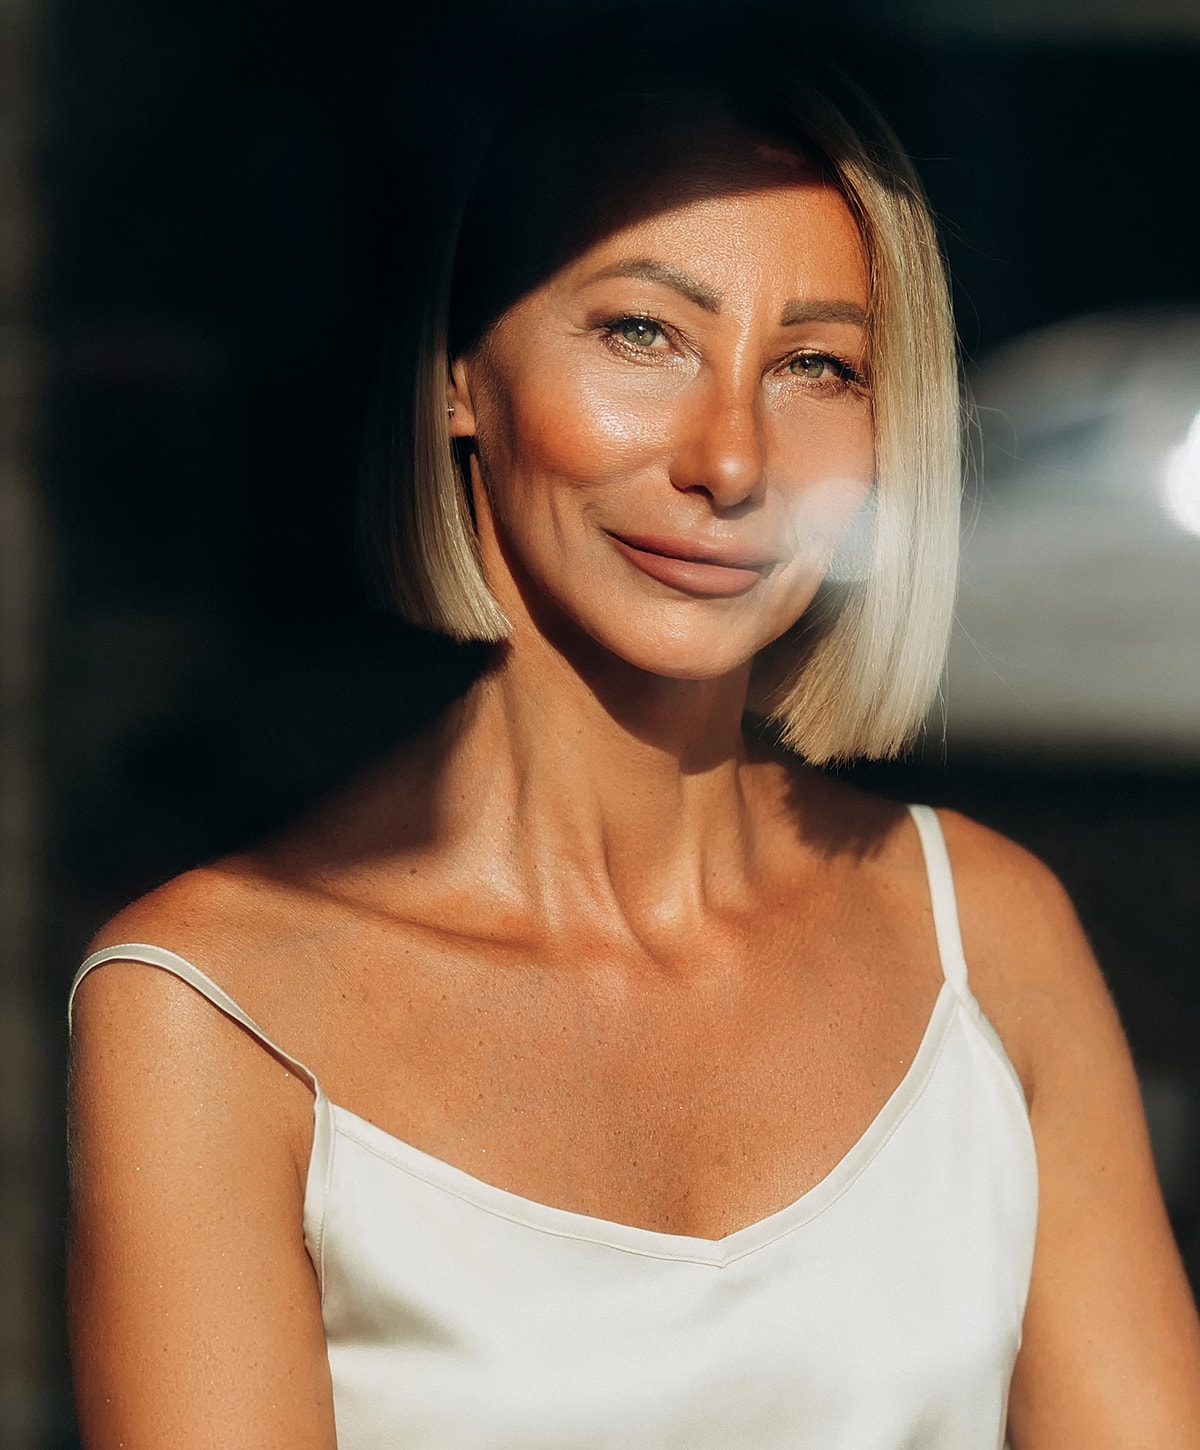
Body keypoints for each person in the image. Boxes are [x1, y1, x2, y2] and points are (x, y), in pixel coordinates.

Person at [66, 8, 1200, 1447]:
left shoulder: (987, 937)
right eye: (644, 332)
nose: (731, 459)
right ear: (458, 376)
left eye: (818, 367)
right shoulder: (210, 1008)